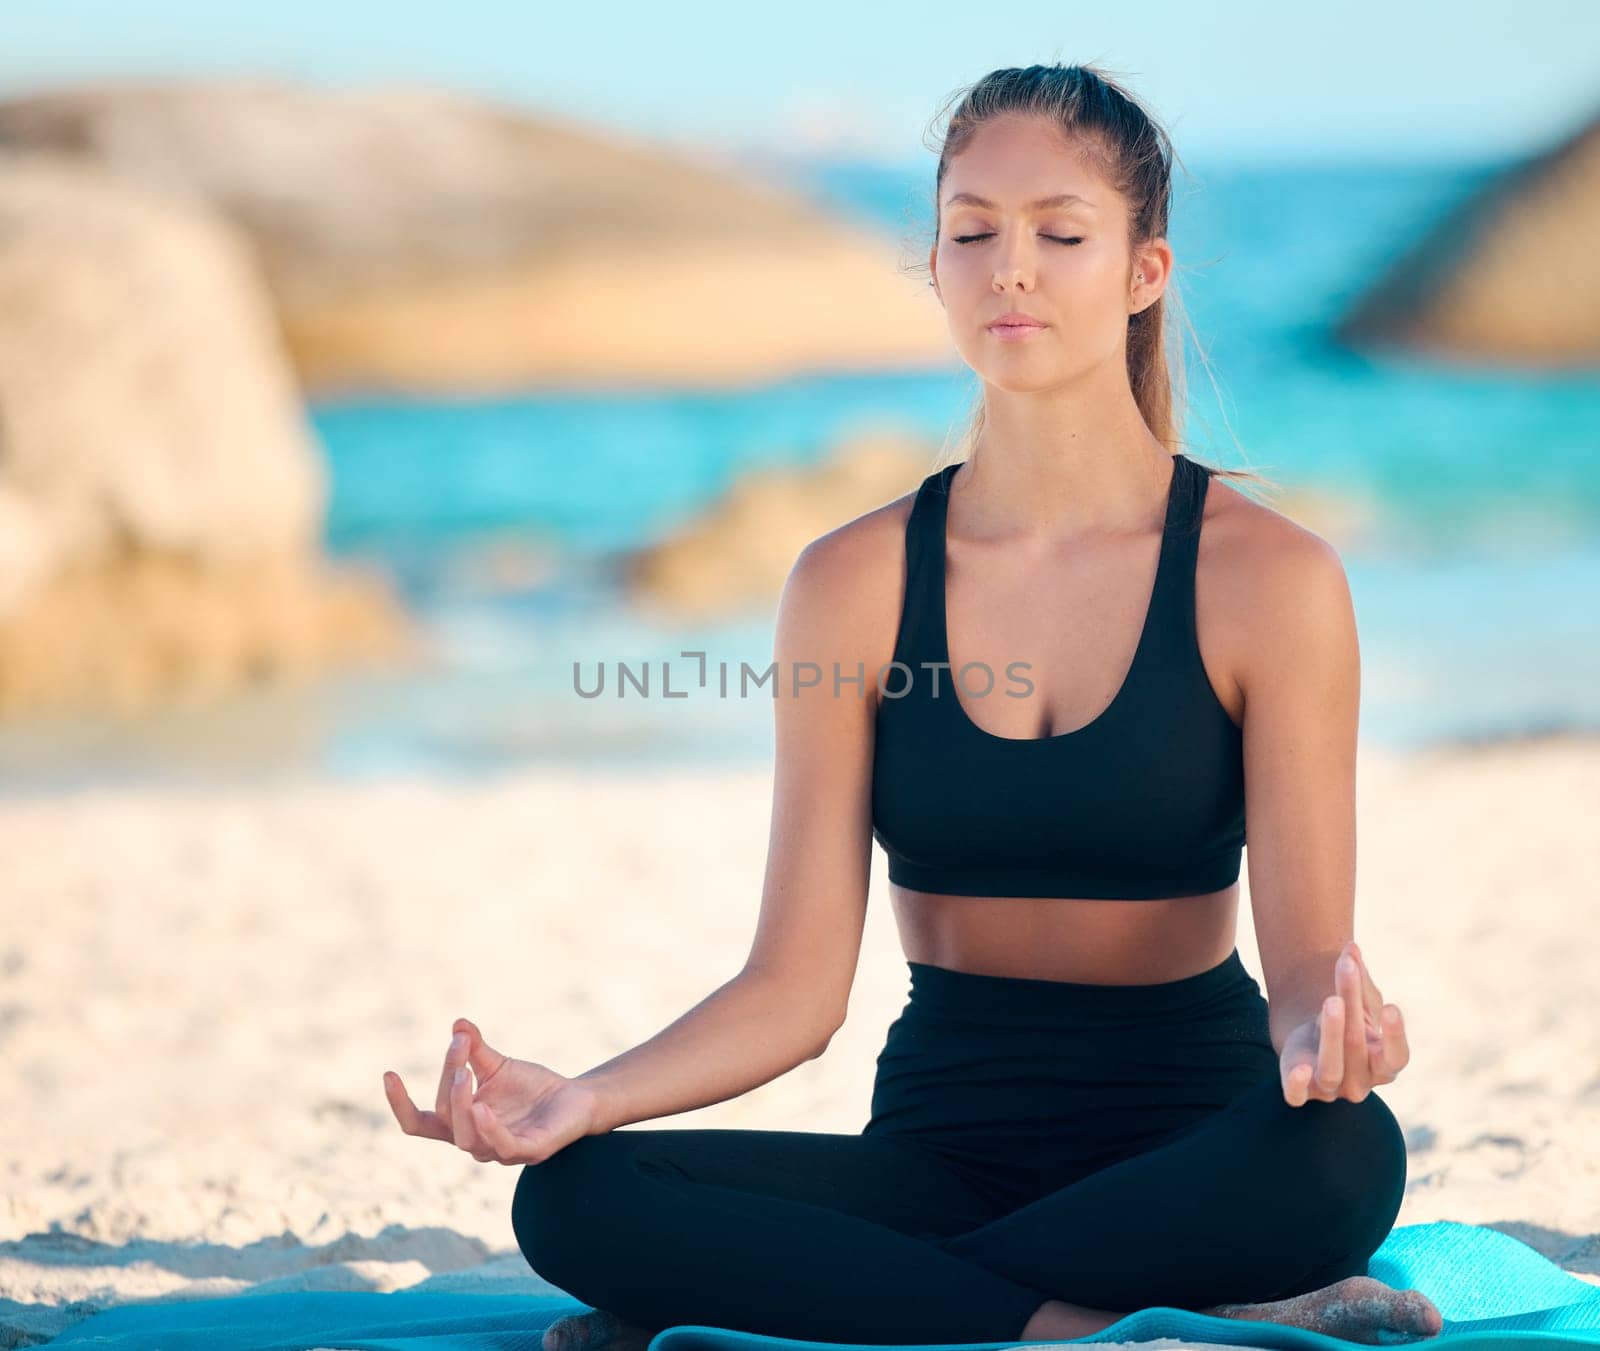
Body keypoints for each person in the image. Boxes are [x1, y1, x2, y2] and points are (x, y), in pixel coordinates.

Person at [383, 63, 1444, 1348]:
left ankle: (836, 1302)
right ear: (933, 266)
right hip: (940, 1151)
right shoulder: (852, 582)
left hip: (1197, 1147)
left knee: (1346, 1157)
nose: (1010, 268)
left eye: (1059, 233)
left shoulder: (1270, 578)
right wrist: (583, 1097)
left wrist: (1332, 1041)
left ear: (1143, 272)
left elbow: (1302, 977)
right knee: (577, 1199)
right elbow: (792, 988)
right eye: (970, 231)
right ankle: (1074, 1321)